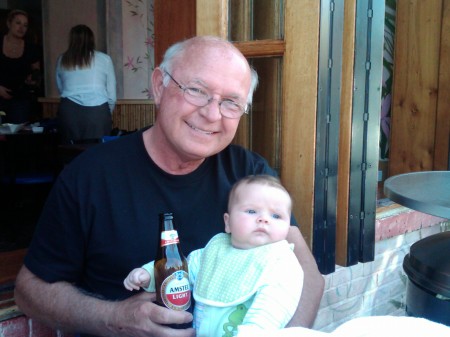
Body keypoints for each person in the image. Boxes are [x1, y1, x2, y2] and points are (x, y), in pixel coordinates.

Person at [14, 36, 324, 337]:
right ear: (159, 86)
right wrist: (112, 318)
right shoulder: (89, 176)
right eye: (196, 90)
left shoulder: (250, 174)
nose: (211, 113)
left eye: (231, 102)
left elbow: (308, 276)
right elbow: (29, 291)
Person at [124, 175, 304, 336]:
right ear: (228, 223)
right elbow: (181, 272)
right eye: (251, 211)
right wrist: (148, 274)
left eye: (276, 215)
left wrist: (254, 332)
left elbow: (273, 307)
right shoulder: (215, 250)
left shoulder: (281, 261)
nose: (264, 219)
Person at [56, 24, 116, 144]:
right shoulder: (104, 59)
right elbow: (111, 93)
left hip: (69, 111)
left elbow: (60, 87)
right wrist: (106, 112)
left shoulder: (62, 59)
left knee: (71, 155)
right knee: (98, 154)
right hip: (97, 111)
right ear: (91, 39)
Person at [0, 9, 41, 124]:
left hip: (20, 100)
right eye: (18, 23)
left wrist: (33, 78)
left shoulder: (31, 48)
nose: (21, 28)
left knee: (18, 134)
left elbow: (36, 71)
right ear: (9, 23)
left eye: (25, 25)